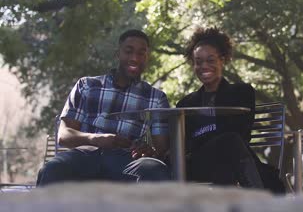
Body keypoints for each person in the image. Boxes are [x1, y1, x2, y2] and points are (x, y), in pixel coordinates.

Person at [36, 29, 171, 186]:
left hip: (127, 159)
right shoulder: (87, 85)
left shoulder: (156, 97)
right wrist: (98, 139)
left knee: (154, 170)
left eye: (141, 53)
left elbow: (161, 149)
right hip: (85, 154)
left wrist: (149, 151)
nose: (135, 58)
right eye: (128, 51)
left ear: (147, 58)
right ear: (118, 54)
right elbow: (64, 136)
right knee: (53, 169)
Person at [176, 27, 265, 189]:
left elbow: (241, 134)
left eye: (210, 60)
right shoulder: (185, 104)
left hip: (230, 160)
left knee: (229, 145)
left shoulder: (241, 92)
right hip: (198, 164)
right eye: (198, 61)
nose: (204, 66)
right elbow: (184, 144)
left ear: (222, 60)